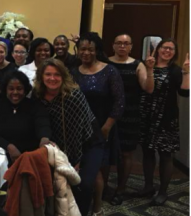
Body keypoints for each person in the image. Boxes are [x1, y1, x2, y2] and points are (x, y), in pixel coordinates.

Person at [34, 58, 102, 216]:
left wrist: (75, 161)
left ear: (63, 76)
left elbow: (77, 132)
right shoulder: (37, 95)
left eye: (57, 74)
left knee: (81, 183)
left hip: (88, 143)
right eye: (48, 74)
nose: (52, 78)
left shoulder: (73, 95)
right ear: (41, 77)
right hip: (57, 144)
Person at [71, 32, 125, 216]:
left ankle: (97, 209)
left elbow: (119, 102)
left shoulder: (109, 71)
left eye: (90, 49)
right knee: (83, 169)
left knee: (97, 173)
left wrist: (107, 127)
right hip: (79, 128)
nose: (86, 52)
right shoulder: (75, 71)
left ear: (97, 51)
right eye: (82, 49)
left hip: (103, 127)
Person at [138, 39, 189, 206]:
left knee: (166, 155)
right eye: (164, 48)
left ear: (175, 53)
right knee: (147, 152)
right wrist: (150, 68)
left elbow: (184, 93)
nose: (167, 51)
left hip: (166, 118)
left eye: (171, 49)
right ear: (158, 49)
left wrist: (187, 72)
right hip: (147, 116)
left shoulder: (175, 70)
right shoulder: (145, 66)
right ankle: (148, 186)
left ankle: (163, 191)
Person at [107, 33, 155, 205]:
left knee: (126, 153)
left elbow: (148, 88)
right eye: (119, 43)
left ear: (131, 46)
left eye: (126, 43)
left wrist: (149, 70)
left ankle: (121, 188)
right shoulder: (106, 63)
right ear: (113, 45)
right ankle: (104, 187)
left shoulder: (137, 64)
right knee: (105, 150)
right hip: (108, 114)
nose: (122, 46)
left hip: (130, 114)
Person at [0, 70, 50, 163]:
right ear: (5, 89)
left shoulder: (35, 106)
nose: (15, 92)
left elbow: (43, 125)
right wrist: (9, 146)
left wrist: (44, 139)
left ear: (25, 90)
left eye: (19, 88)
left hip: (30, 158)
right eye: (11, 89)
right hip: (1, 158)